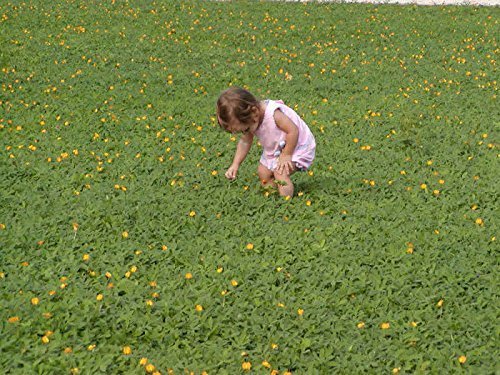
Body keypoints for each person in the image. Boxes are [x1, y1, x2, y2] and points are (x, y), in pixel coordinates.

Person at [216, 86, 316, 197]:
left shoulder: (274, 114)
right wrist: (235, 164)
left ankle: (286, 203)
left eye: (246, 129)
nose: (246, 133)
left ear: (254, 112)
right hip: (277, 147)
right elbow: (245, 142)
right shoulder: (250, 119)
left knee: (280, 172)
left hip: (297, 145)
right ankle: (273, 197)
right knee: (263, 172)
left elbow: (293, 131)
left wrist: (286, 154)